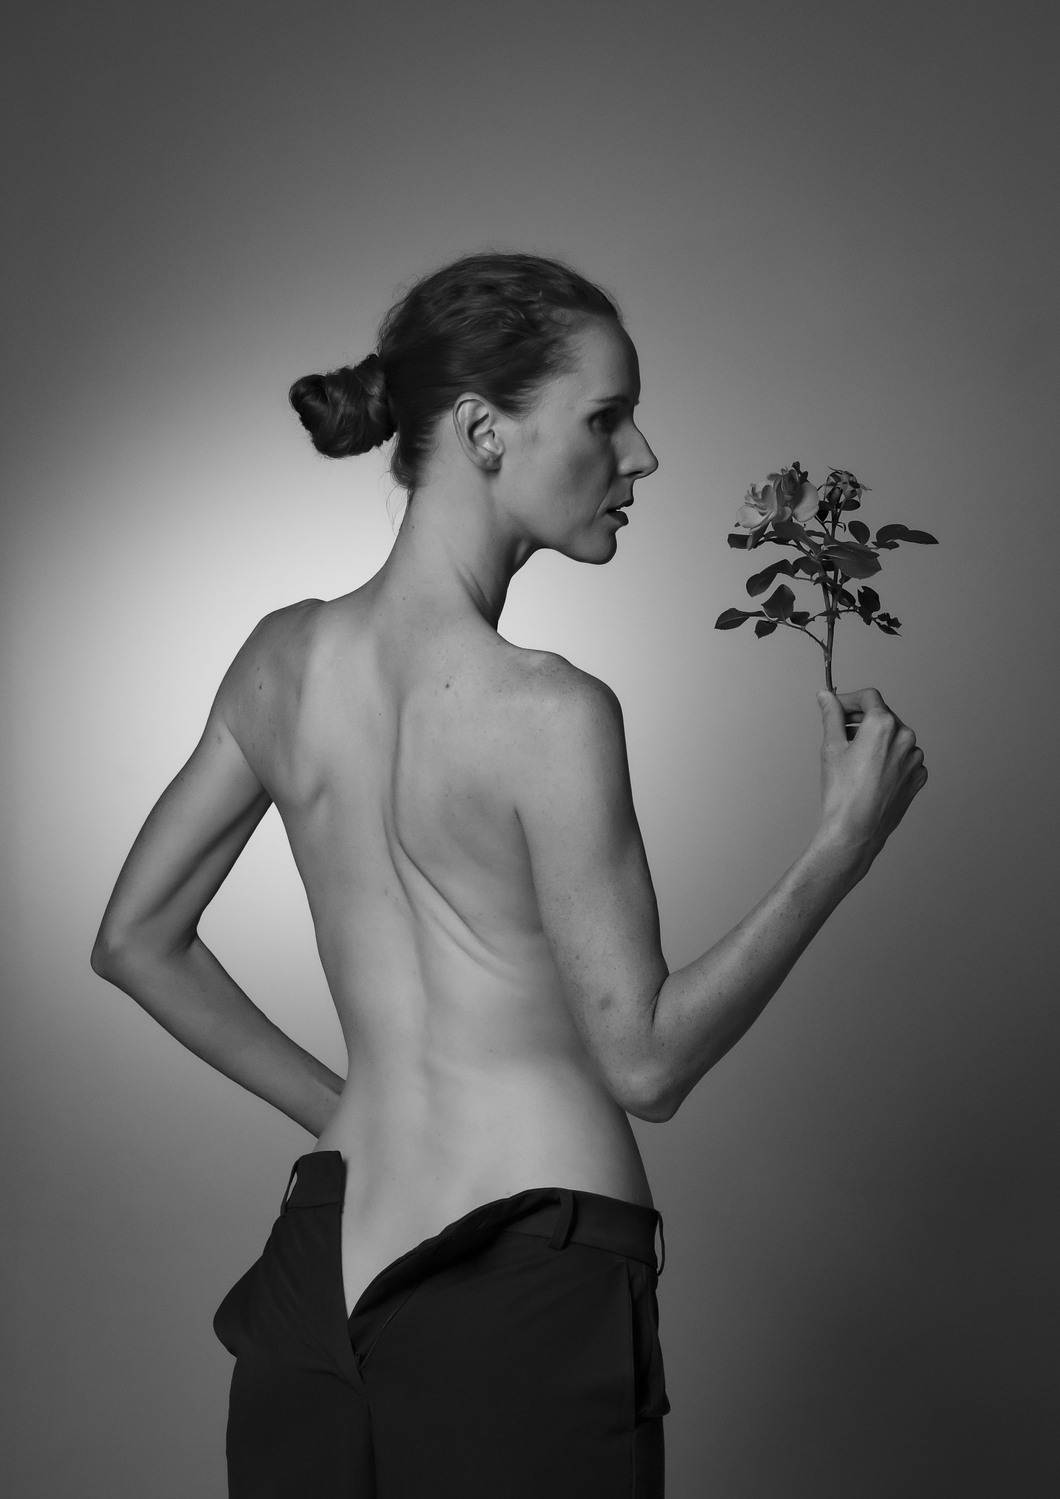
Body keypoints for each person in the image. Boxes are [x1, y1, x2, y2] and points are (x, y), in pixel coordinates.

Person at [89, 250, 929, 1497]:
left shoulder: (279, 660)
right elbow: (646, 1064)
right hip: (528, 1275)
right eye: (606, 416)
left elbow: (134, 937)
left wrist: (348, 1112)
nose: (641, 455)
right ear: (484, 431)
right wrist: (839, 846)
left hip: (322, 1272)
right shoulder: (547, 709)